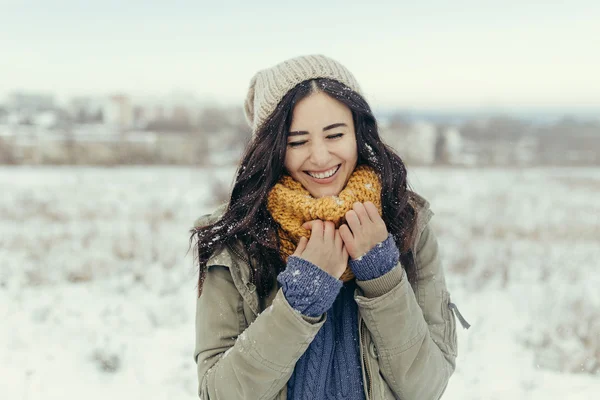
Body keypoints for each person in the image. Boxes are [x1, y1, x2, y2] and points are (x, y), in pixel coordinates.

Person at [191, 54, 469, 400]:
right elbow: (218, 394)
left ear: (358, 133)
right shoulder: (236, 240)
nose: (320, 157)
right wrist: (301, 298)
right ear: (272, 148)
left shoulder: (406, 223)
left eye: (334, 134)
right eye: (297, 141)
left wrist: (384, 278)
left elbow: (426, 387)